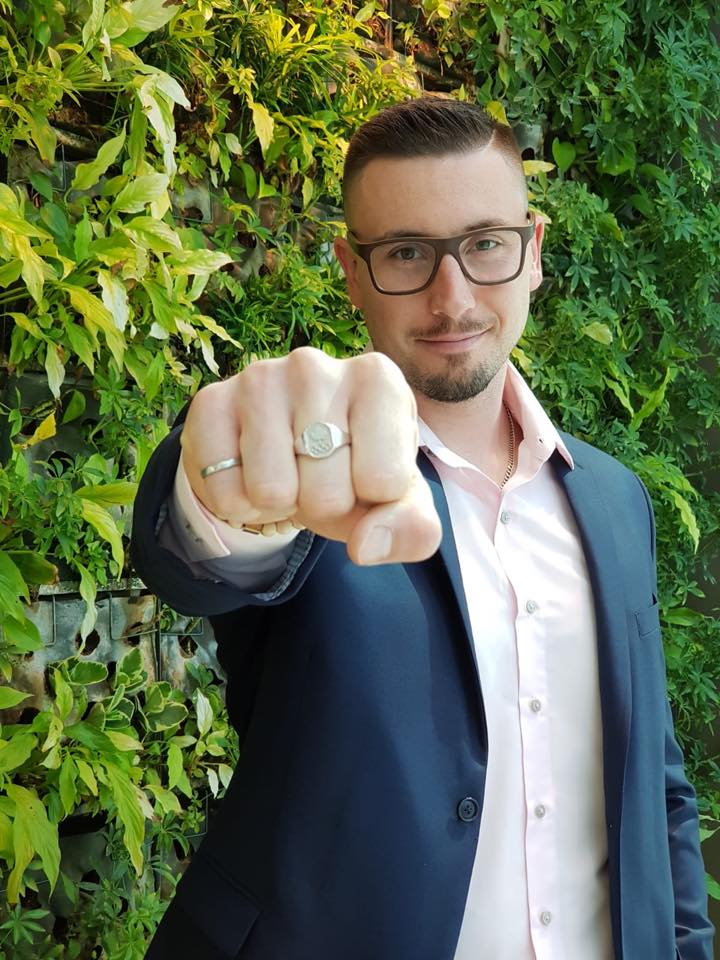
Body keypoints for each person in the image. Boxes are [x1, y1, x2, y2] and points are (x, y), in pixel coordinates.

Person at [131, 97, 714, 960]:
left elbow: (655, 788)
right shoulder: (314, 477)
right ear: (351, 269)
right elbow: (201, 555)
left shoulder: (617, 501)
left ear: (533, 255)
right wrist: (227, 490)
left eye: (484, 245)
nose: (452, 297)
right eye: (406, 253)